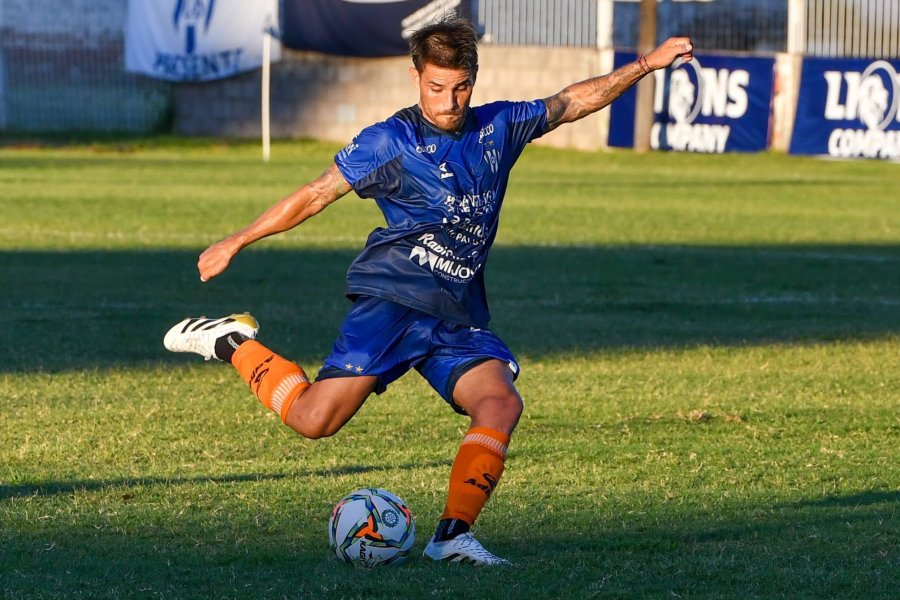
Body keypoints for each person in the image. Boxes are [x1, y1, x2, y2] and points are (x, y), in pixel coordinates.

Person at [164, 17, 693, 565]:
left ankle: (452, 535)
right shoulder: (390, 141)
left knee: (499, 403)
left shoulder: (499, 128)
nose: (449, 101)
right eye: (436, 87)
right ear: (417, 77)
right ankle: (231, 340)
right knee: (313, 421)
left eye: (461, 87)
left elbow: (569, 102)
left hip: (456, 314)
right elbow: (318, 193)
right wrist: (239, 240)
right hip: (394, 302)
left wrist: (646, 65)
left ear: (474, 79)